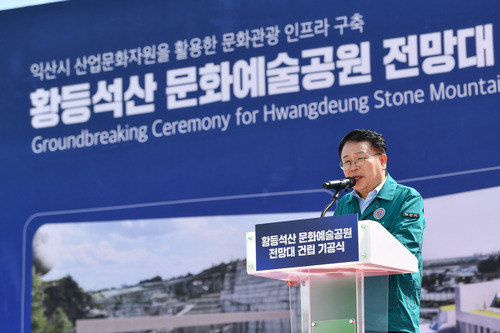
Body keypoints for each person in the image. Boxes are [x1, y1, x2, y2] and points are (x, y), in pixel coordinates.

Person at [333, 129, 426, 333]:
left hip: (392, 319)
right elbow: (334, 253)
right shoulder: (344, 204)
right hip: (349, 320)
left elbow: (404, 249)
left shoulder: (407, 199)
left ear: (382, 160)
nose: (353, 167)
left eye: (360, 159)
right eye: (346, 162)